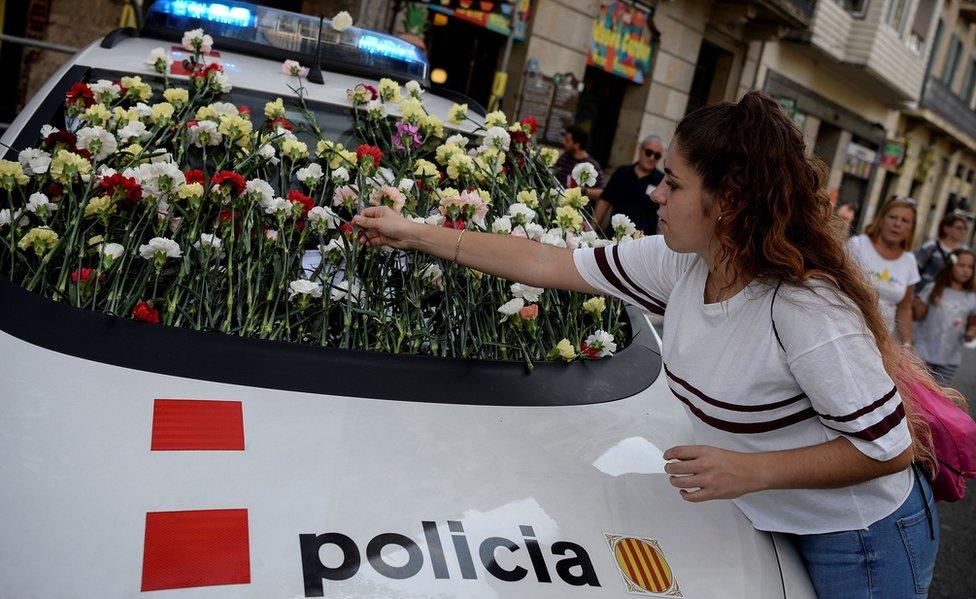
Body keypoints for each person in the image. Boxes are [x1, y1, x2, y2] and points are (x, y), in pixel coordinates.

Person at [354, 90, 943, 597]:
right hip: (769, 515)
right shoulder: (681, 263)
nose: (657, 194)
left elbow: (887, 450)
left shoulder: (804, 309)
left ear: (730, 203)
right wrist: (412, 232)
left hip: (859, 540)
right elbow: (543, 260)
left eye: (675, 183)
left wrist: (751, 472)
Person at [846, 198, 921, 346]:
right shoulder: (857, 245)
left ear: (911, 229)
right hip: (847, 331)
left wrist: (907, 344)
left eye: (905, 221)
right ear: (880, 220)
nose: (897, 224)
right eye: (892, 217)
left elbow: (904, 308)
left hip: (881, 342)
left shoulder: (909, 261)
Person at [912, 248, 976, 385]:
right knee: (917, 392)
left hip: (949, 358)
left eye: (970, 267)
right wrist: (916, 303)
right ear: (950, 266)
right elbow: (918, 316)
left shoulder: (971, 297)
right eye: (961, 265)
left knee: (940, 395)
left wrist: (971, 332)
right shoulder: (933, 288)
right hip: (922, 353)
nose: (966, 270)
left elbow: (972, 323)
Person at [592, 134, 665, 235]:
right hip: (612, 238)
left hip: (641, 244)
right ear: (640, 150)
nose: (652, 158)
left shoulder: (662, 181)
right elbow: (604, 201)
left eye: (657, 156)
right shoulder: (622, 172)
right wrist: (591, 229)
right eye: (649, 152)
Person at [916, 213, 970, 289]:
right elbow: (915, 269)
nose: (962, 231)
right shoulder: (931, 247)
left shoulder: (965, 251)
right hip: (923, 291)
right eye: (959, 228)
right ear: (946, 229)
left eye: (965, 229)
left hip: (949, 294)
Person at [552, 125, 604, 201]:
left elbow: (601, 192)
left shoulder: (591, 165)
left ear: (577, 145)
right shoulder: (564, 158)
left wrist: (583, 190)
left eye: (567, 141)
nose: (564, 143)